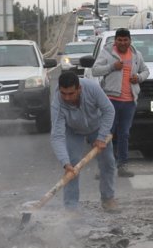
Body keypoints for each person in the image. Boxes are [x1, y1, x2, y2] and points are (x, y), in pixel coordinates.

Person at [50, 71, 120, 213]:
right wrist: (65, 162)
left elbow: (109, 110)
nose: (67, 98)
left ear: (79, 89)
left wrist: (101, 137)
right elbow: (57, 136)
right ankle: (71, 207)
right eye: (63, 93)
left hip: (97, 126)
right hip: (73, 131)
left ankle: (108, 198)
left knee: (108, 163)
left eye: (71, 94)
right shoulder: (57, 103)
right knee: (72, 168)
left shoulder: (92, 88)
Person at [91, 28, 150, 178]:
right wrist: (112, 67)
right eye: (120, 40)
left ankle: (122, 165)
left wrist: (139, 78)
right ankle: (103, 167)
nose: (122, 43)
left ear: (130, 41)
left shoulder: (136, 55)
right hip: (110, 100)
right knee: (106, 134)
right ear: (115, 41)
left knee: (124, 134)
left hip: (129, 101)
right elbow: (95, 71)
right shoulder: (107, 53)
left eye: (125, 40)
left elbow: (146, 71)